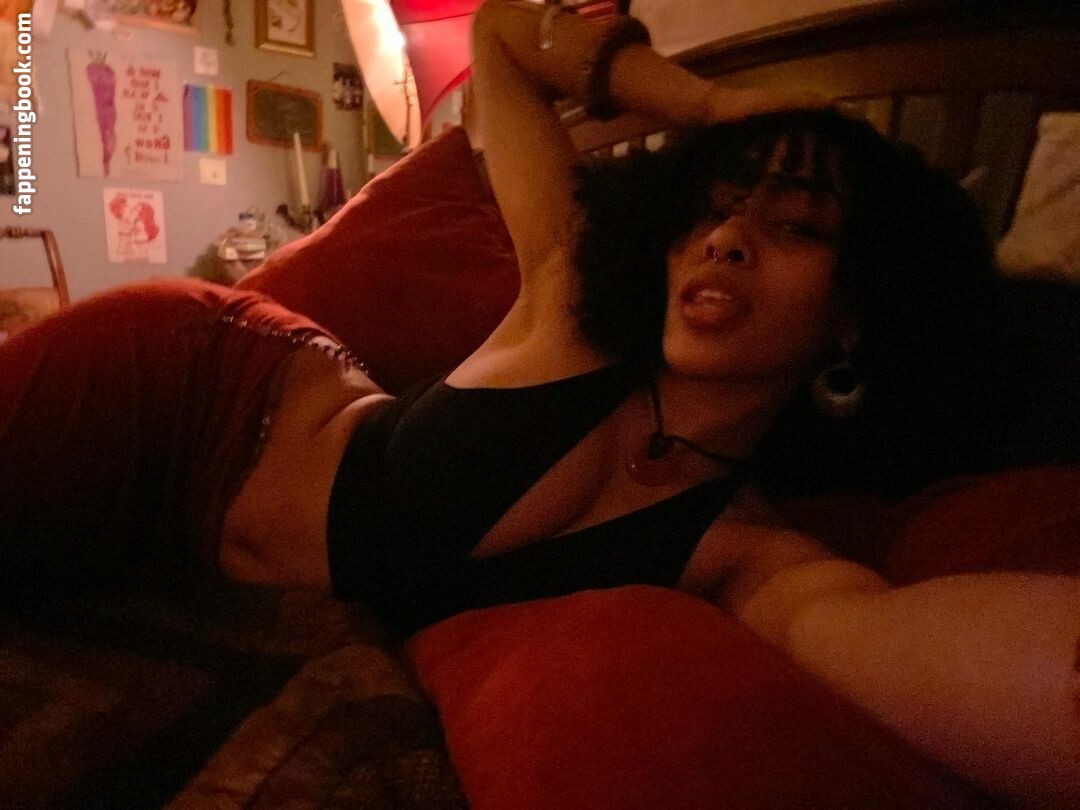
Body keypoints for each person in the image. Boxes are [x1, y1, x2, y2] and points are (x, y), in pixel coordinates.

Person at [0, 2, 1075, 804]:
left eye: (794, 226)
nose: (726, 237)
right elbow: (506, 38)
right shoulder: (571, 297)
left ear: (859, 316)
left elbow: (893, 640)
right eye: (713, 205)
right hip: (195, 388)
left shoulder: (747, 552)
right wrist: (713, 108)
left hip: (184, 540)